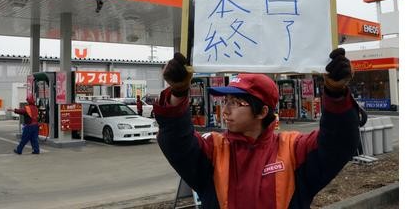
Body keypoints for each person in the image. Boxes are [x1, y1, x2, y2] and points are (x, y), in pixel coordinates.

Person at [154, 49, 366, 209]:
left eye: (235, 103)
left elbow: (338, 143)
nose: (225, 110)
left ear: (262, 112)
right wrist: (178, 93)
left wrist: (336, 93)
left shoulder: (293, 149)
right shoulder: (214, 148)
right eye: (225, 100)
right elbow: (175, 142)